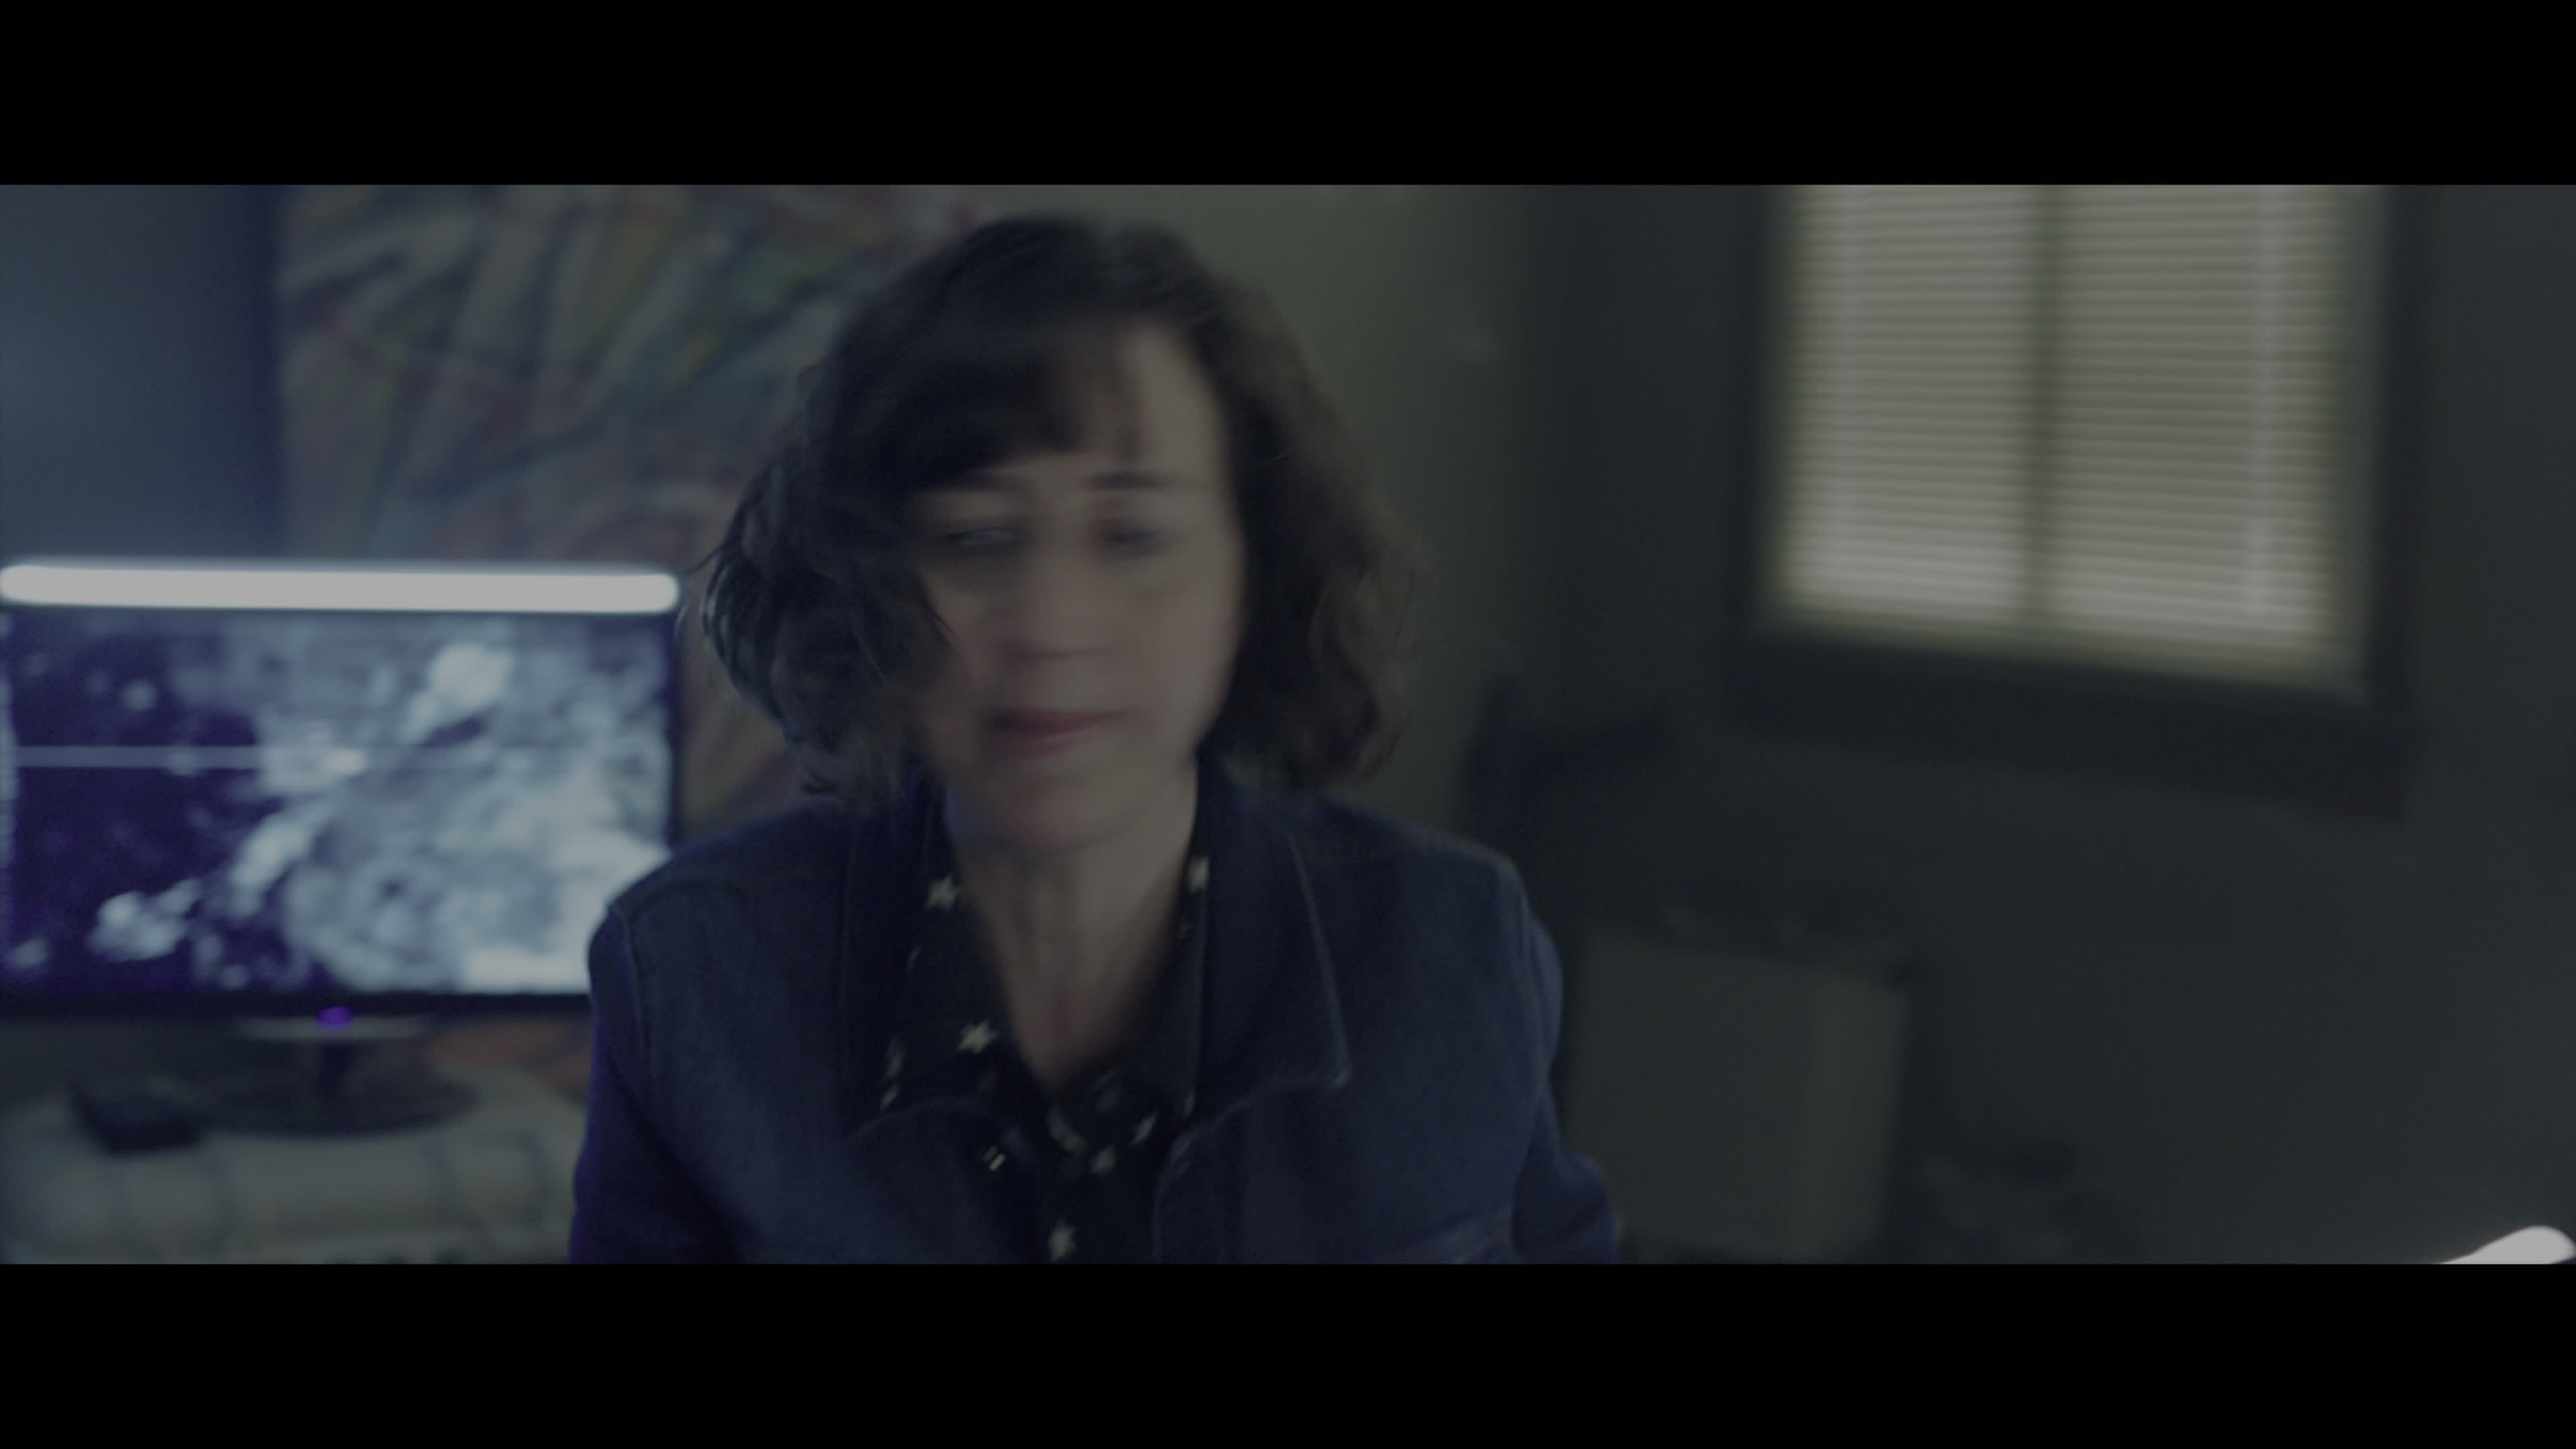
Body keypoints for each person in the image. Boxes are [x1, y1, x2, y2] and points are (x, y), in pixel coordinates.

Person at [569, 213, 1617, 1263]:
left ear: (1252, 577)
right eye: (975, 538)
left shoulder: (1453, 950)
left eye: (1133, 536)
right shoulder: (693, 979)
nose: (1051, 623)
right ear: (866, 585)